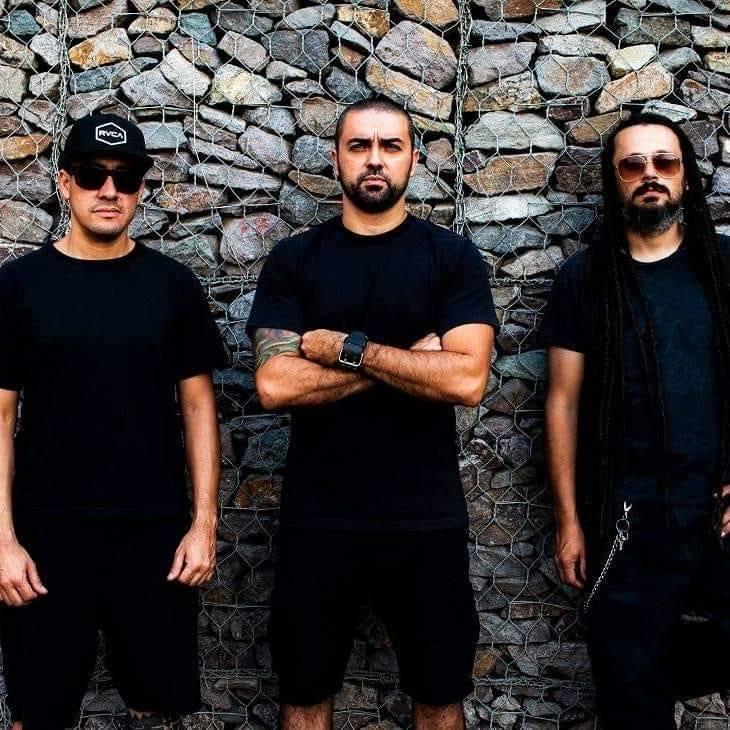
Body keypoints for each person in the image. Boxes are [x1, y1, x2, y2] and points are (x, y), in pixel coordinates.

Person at [246, 96, 499, 730]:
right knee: (304, 693)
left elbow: (467, 379)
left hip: (425, 515)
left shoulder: (451, 258)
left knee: (439, 695)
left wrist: (346, 350)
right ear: (336, 158)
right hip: (318, 516)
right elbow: (274, 385)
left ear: (415, 158)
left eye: (390, 146)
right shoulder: (295, 260)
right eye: (359, 146)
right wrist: (402, 363)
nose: (375, 159)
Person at [0, 113, 226, 729]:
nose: (109, 190)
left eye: (125, 178)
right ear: (64, 182)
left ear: (141, 189)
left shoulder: (172, 286)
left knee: (156, 708)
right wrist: (4, 542)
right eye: (92, 175)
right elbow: (1, 416)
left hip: (153, 535)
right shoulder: (18, 286)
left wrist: (203, 525)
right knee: (38, 713)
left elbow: (199, 408)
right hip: (46, 535)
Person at [541, 112, 730, 728]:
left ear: (685, 176)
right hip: (627, 519)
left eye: (664, 162)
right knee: (630, 695)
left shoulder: (724, 266)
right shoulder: (585, 279)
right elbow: (563, 402)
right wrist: (569, 522)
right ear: (614, 180)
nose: (650, 174)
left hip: (720, 510)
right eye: (633, 164)